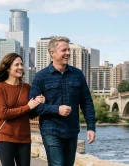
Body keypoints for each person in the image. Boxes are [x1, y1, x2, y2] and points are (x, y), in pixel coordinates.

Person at [29, 36, 96, 166]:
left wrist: (91, 127)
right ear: (52, 53)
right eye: (64, 50)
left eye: (69, 50)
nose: (68, 53)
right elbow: (34, 107)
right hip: (51, 130)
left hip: (71, 130)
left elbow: (86, 102)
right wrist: (56, 109)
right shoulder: (40, 77)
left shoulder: (77, 74)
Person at [0, 53, 45, 166]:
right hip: (5, 137)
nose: (20, 67)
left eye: (21, 64)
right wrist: (28, 106)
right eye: (16, 65)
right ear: (7, 68)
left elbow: (30, 114)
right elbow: (3, 113)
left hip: (24, 138)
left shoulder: (26, 88)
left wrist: (37, 103)